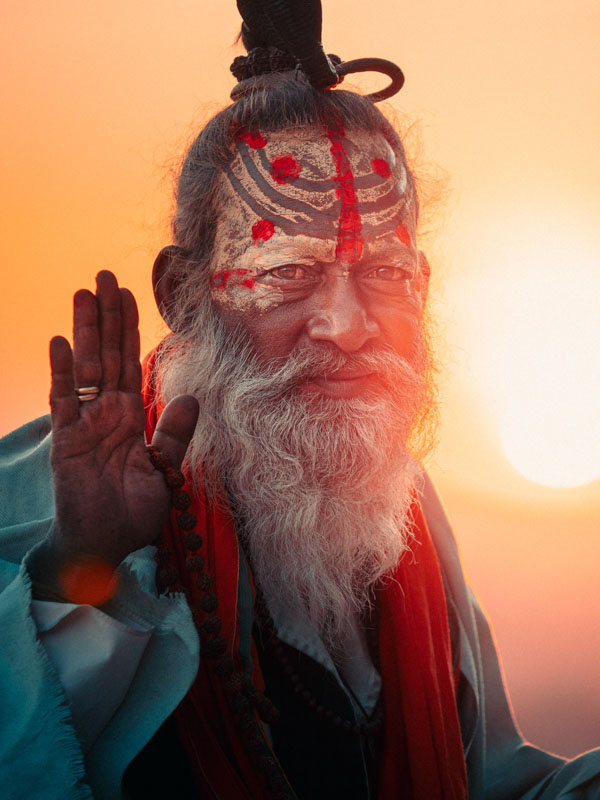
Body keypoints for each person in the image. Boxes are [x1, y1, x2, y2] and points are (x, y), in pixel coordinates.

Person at [1, 3, 600, 799]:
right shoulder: (51, 498)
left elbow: (489, 780)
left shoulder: (402, 505)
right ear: (182, 294)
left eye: (383, 273)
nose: (348, 327)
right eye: (288, 272)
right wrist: (83, 565)